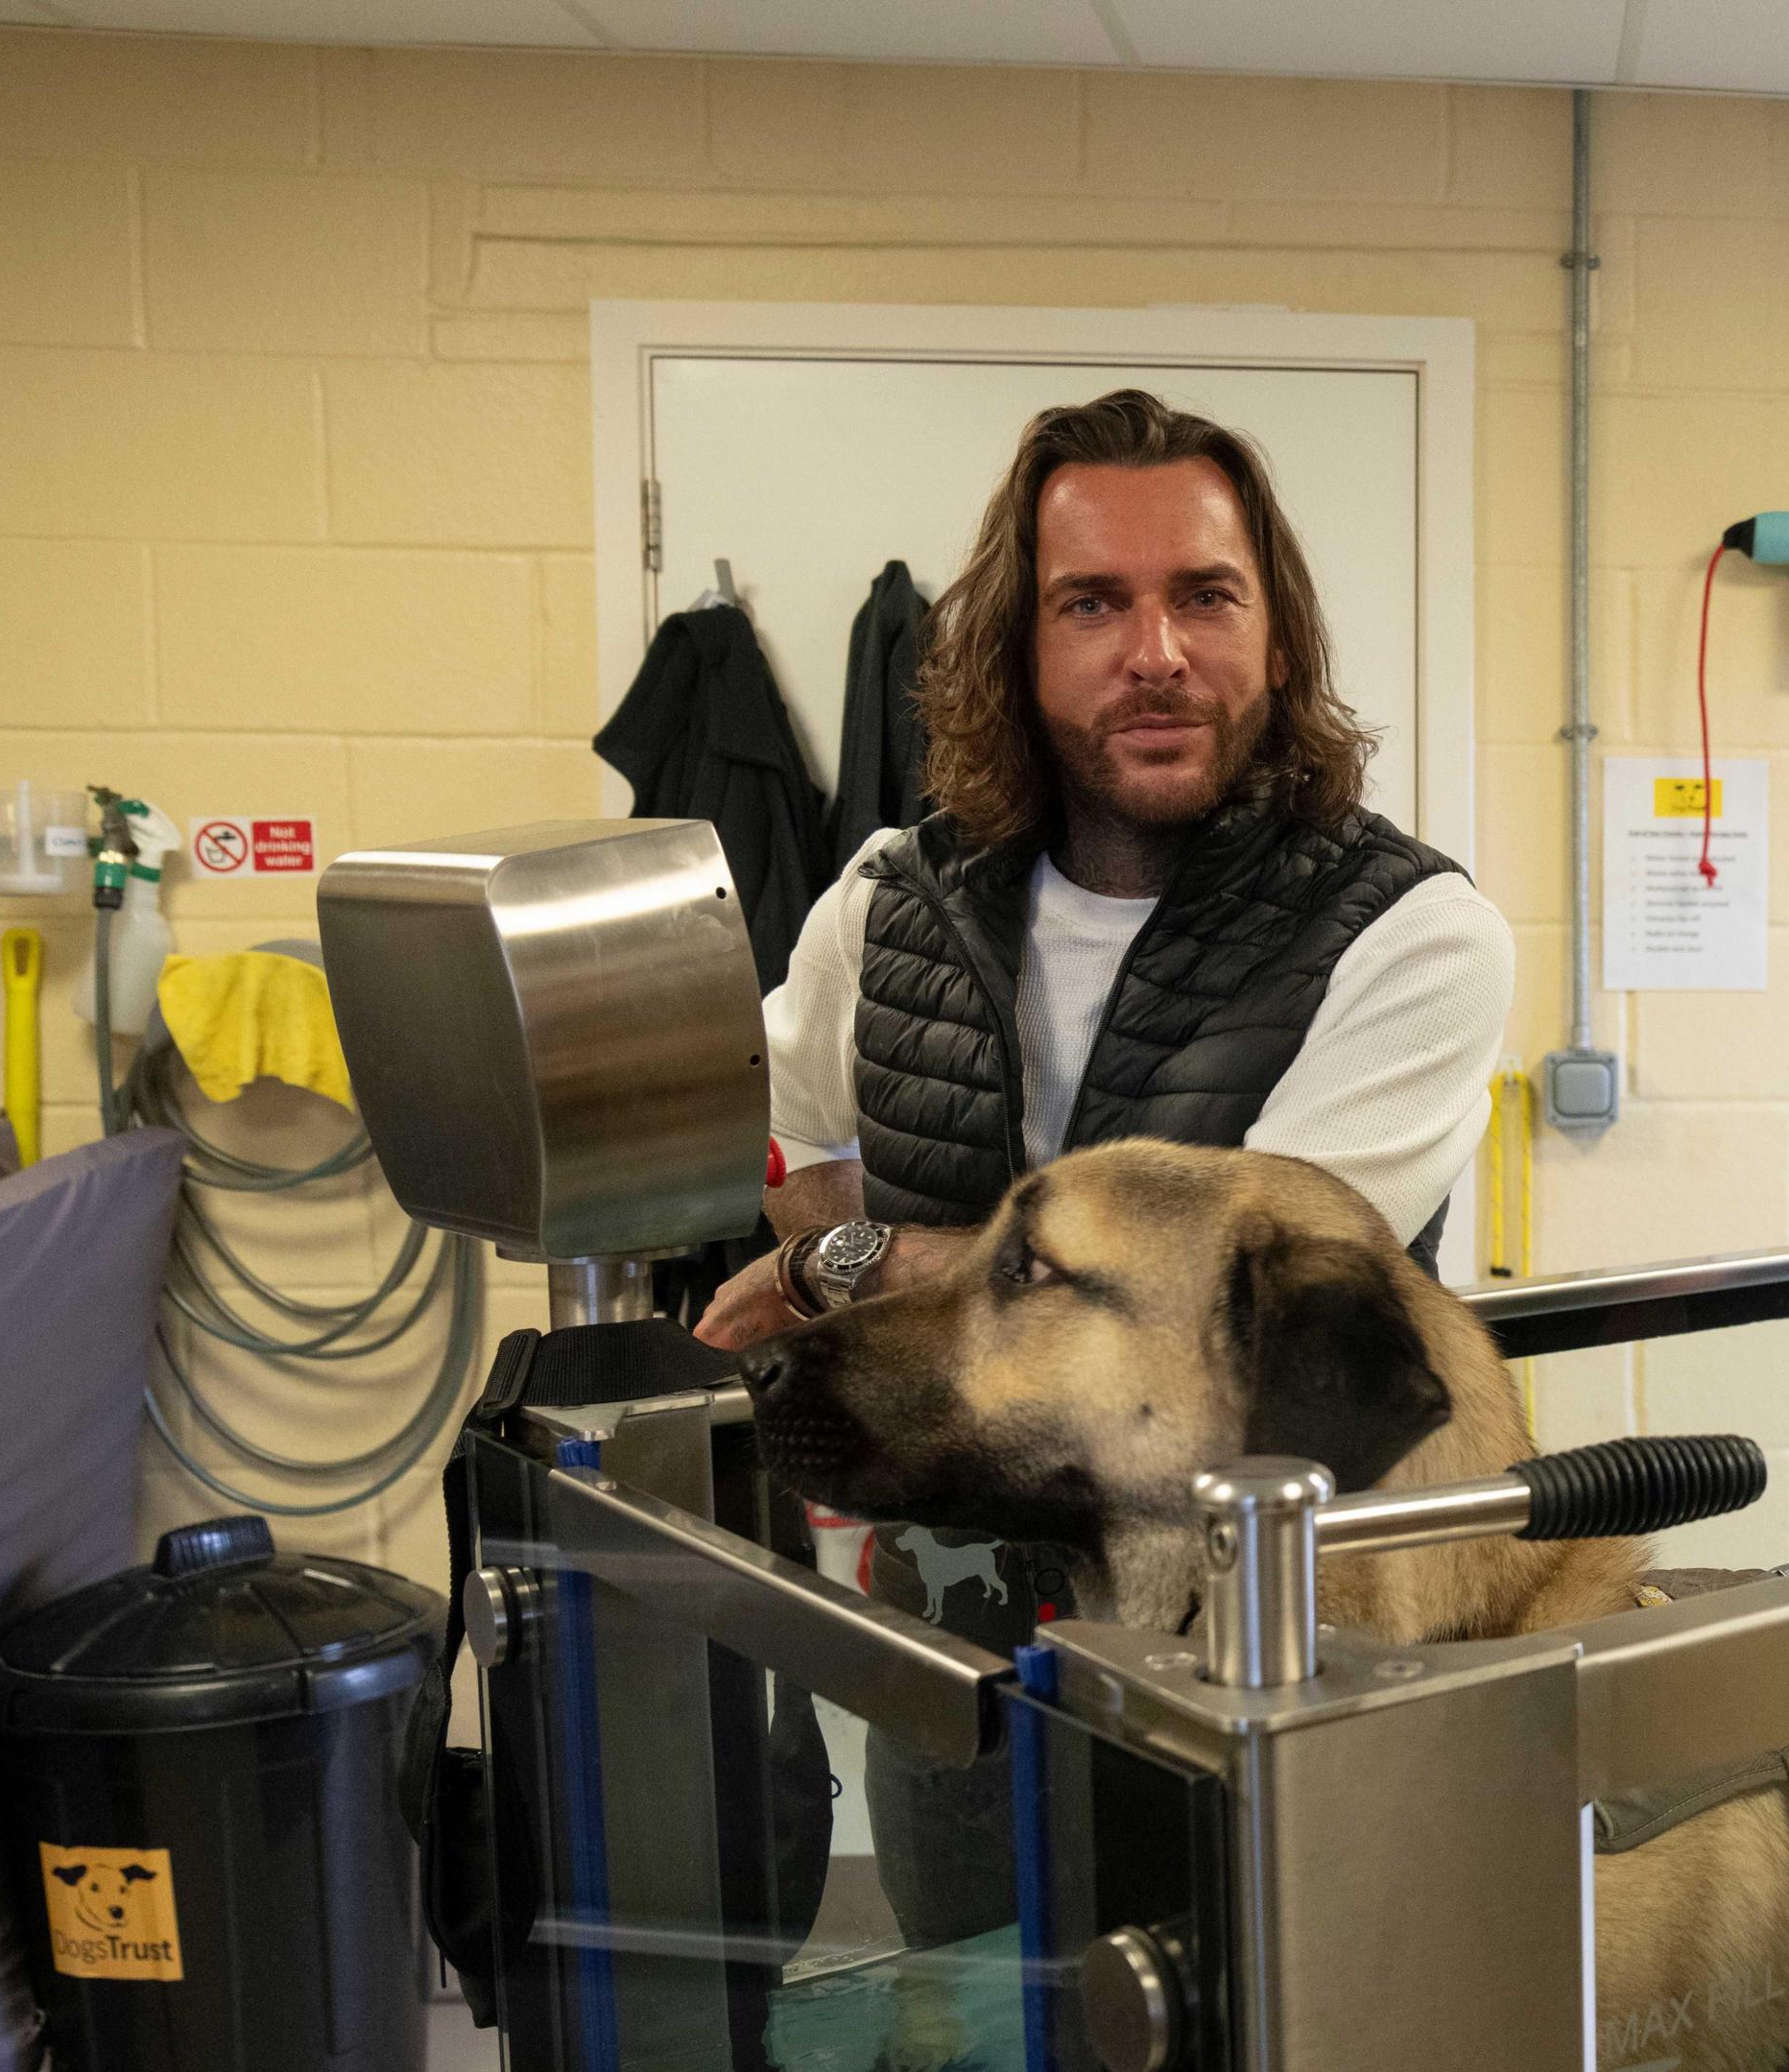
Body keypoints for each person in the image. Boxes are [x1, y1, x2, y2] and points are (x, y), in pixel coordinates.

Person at [689, 389, 1510, 1943]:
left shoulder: (1409, 938)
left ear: (1277, 635)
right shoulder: (888, 900)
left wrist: (842, 1275)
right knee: (975, 2010)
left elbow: (1210, 1317)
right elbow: (806, 1152)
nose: (1158, 651)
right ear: (1022, 642)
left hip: (1272, 1653)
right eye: (1094, 603)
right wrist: (842, 1252)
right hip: (955, 1632)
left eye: (1205, 595)